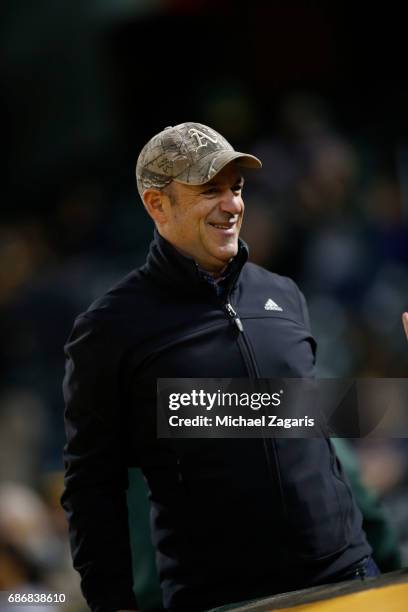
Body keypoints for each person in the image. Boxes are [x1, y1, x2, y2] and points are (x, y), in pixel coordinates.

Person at [61, 122, 379, 612]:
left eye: (236, 188)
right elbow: (92, 490)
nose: (232, 205)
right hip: (227, 601)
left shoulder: (283, 294)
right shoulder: (109, 329)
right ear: (156, 205)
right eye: (210, 190)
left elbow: (320, 436)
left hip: (349, 578)